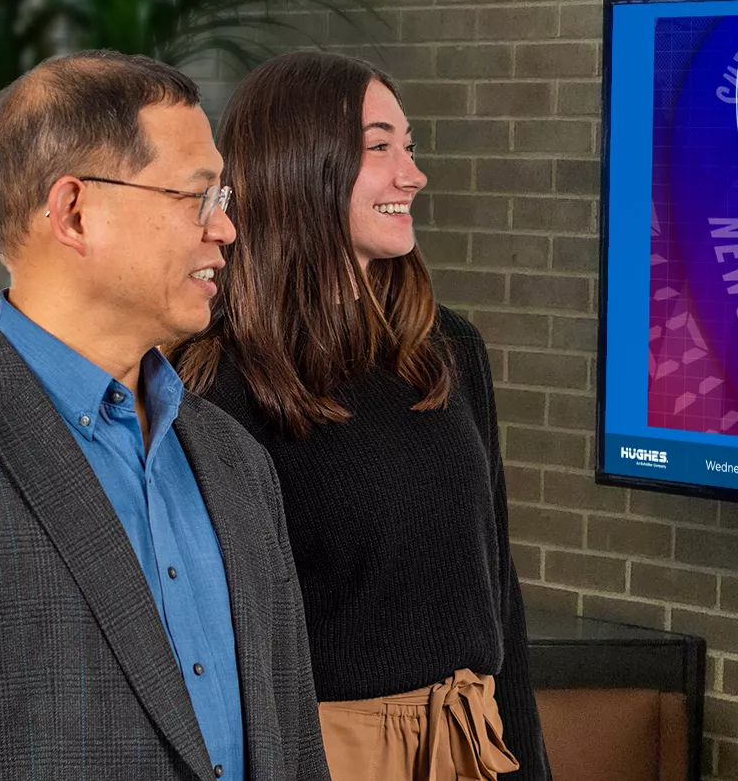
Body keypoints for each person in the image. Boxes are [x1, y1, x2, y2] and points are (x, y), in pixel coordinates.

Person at [0, 50, 329, 781]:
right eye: (197, 196)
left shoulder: (234, 460)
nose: (225, 229)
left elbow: (294, 751)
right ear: (74, 211)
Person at [174, 50, 550, 781]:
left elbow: (498, 589)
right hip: (322, 757)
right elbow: (213, 646)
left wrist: (530, 768)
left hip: (475, 746)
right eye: (380, 148)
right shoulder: (219, 382)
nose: (413, 174)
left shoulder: (452, 350)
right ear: (300, 166)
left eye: (409, 146)